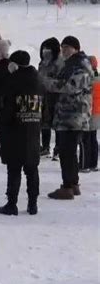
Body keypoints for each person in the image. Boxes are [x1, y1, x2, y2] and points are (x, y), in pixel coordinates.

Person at [44, 36, 93, 199]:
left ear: (76, 48)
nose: (64, 50)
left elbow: (70, 86)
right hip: (67, 115)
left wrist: (46, 83)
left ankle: (67, 187)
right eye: (62, 47)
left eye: (67, 47)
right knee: (68, 152)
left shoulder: (81, 66)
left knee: (67, 151)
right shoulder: (70, 64)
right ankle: (73, 183)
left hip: (74, 116)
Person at [0, 51, 43, 216]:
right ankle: (33, 204)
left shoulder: (12, 82)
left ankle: (12, 204)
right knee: (32, 169)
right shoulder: (38, 80)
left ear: (15, 64)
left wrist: (2, 127)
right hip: (33, 130)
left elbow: (7, 110)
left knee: (14, 169)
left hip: (15, 131)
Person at [38, 38, 63, 159]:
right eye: (44, 49)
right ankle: (45, 146)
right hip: (44, 96)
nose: (45, 51)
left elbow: (61, 82)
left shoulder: (60, 63)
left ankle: (58, 148)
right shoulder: (42, 62)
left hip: (56, 97)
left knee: (57, 123)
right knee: (44, 122)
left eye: (48, 49)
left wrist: (47, 82)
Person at [79, 55, 99, 172]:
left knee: (84, 139)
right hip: (97, 113)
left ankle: (84, 164)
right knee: (93, 139)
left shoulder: (87, 79)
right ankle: (93, 164)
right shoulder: (99, 78)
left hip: (88, 112)